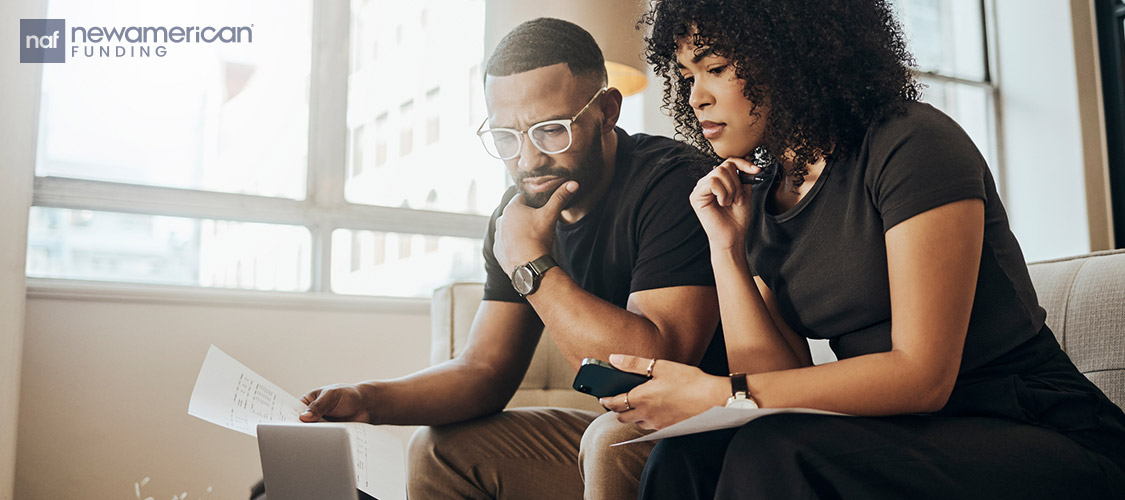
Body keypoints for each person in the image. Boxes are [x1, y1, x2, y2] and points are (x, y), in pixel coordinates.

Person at [597, 1, 1125, 499]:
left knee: (778, 453)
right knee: (685, 454)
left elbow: (924, 377)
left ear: (790, 53)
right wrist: (726, 248)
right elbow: (776, 385)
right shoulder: (759, 198)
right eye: (688, 76)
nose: (696, 98)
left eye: (715, 67)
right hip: (897, 433)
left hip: (1033, 425)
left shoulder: (911, 142)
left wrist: (715, 393)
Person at [249, 17, 728, 500]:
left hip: (718, 429)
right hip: (628, 430)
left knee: (610, 440)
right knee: (439, 450)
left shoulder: (673, 184)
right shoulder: (518, 215)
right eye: (506, 137)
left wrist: (531, 262)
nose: (527, 160)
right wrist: (367, 398)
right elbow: (484, 371)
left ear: (606, 111)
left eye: (551, 130)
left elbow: (653, 365)